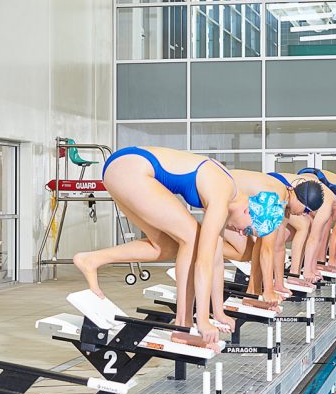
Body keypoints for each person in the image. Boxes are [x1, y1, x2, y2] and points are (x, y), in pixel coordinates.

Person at [72, 147, 284, 344]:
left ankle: (91, 260)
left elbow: (217, 261)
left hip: (122, 168)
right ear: (248, 211)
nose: (240, 233)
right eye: (247, 230)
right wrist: (203, 320)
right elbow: (203, 263)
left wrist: (218, 313)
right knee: (192, 237)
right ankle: (183, 326)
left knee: (167, 247)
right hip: (132, 168)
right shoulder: (221, 197)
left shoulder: (226, 197)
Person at [225, 171, 324, 302]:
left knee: (257, 246)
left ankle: (252, 294)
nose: (304, 215)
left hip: (222, 192)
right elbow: (267, 250)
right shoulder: (276, 200)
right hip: (217, 191)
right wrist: (269, 291)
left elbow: (277, 246)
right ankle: (198, 246)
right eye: (306, 210)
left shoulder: (283, 196)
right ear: (301, 200)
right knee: (246, 252)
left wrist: (278, 284)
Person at [285, 169, 336, 283]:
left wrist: (312, 268)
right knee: (304, 225)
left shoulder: (332, 202)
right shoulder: (328, 204)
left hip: (294, 188)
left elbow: (317, 238)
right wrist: (308, 271)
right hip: (286, 190)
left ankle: (295, 272)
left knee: (306, 227)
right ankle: (294, 274)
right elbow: (314, 239)